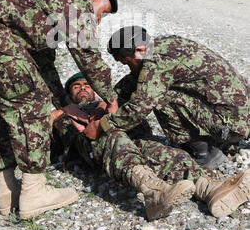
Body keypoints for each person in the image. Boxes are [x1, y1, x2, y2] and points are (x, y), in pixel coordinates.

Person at [0, 0, 119, 219]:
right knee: (30, 102)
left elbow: (43, 64)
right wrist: (110, 98)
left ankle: (6, 190)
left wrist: (64, 104)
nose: (99, 20)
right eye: (101, 12)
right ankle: (34, 190)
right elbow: (87, 55)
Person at [51, 72, 250, 220]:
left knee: (165, 152)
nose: (82, 88)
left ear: (95, 90)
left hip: (129, 144)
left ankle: (210, 189)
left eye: (87, 84)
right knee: (114, 135)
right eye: (76, 86)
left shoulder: (107, 104)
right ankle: (152, 192)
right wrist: (60, 113)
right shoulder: (64, 112)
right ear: (69, 93)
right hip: (94, 148)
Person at [103, 26, 249, 169]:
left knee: (160, 96)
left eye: (128, 62)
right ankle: (223, 138)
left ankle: (204, 152)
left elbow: (141, 106)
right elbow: (136, 78)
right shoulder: (163, 45)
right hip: (241, 112)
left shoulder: (157, 60)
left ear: (139, 49)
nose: (130, 68)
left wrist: (103, 125)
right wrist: (109, 100)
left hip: (231, 124)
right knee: (155, 87)